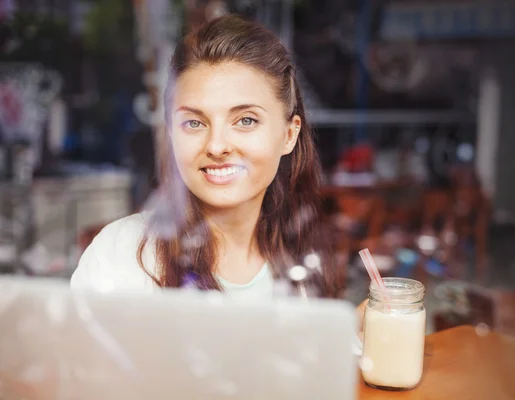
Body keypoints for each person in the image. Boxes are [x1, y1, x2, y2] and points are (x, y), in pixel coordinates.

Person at [70, 14, 344, 300]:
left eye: (246, 120)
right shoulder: (123, 256)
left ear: (289, 135)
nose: (216, 146)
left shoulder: (302, 266)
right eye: (194, 123)